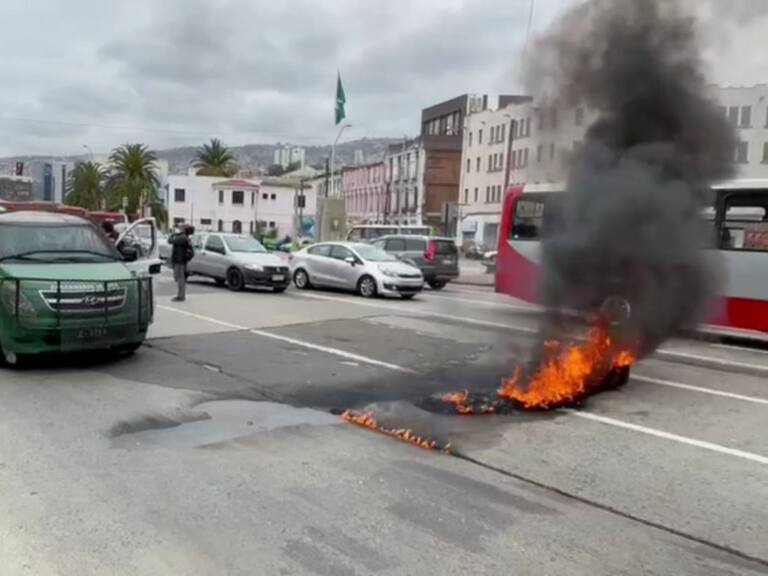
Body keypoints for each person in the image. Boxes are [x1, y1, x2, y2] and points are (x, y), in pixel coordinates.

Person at [169, 225, 195, 302]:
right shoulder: (185, 237)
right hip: (181, 261)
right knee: (180, 278)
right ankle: (180, 295)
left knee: (180, 279)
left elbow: (170, 241)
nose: (179, 229)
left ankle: (181, 296)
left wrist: (173, 234)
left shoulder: (182, 238)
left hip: (179, 261)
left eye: (181, 228)